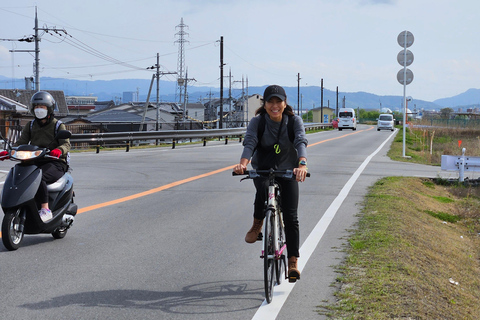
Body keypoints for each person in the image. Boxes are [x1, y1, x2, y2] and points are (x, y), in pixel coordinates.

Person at [233, 84, 308, 282]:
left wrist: (302, 164)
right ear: (264, 104)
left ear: (285, 103)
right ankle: (258, 224)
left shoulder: (294, 121)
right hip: (263, 167)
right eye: (270, 101)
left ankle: (292, 261)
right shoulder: (257, 122)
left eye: (278, 101)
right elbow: (249, 142)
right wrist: (242, 164)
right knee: (263, 188)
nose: (274, 105)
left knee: (291, 216)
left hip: (288, 170)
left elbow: (301, 141)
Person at [0, 91, 71, 222]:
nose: (39, 109)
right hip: (35, 160)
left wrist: (59, 150)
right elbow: (21, 142)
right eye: (36, 106)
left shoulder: (58, 125)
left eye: (42, 107)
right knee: (20, 175)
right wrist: (9, 151)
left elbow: (66, 144)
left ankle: (45, 209)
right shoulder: (31, 125)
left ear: (49, 108)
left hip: (55, 162)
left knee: (39, 177)